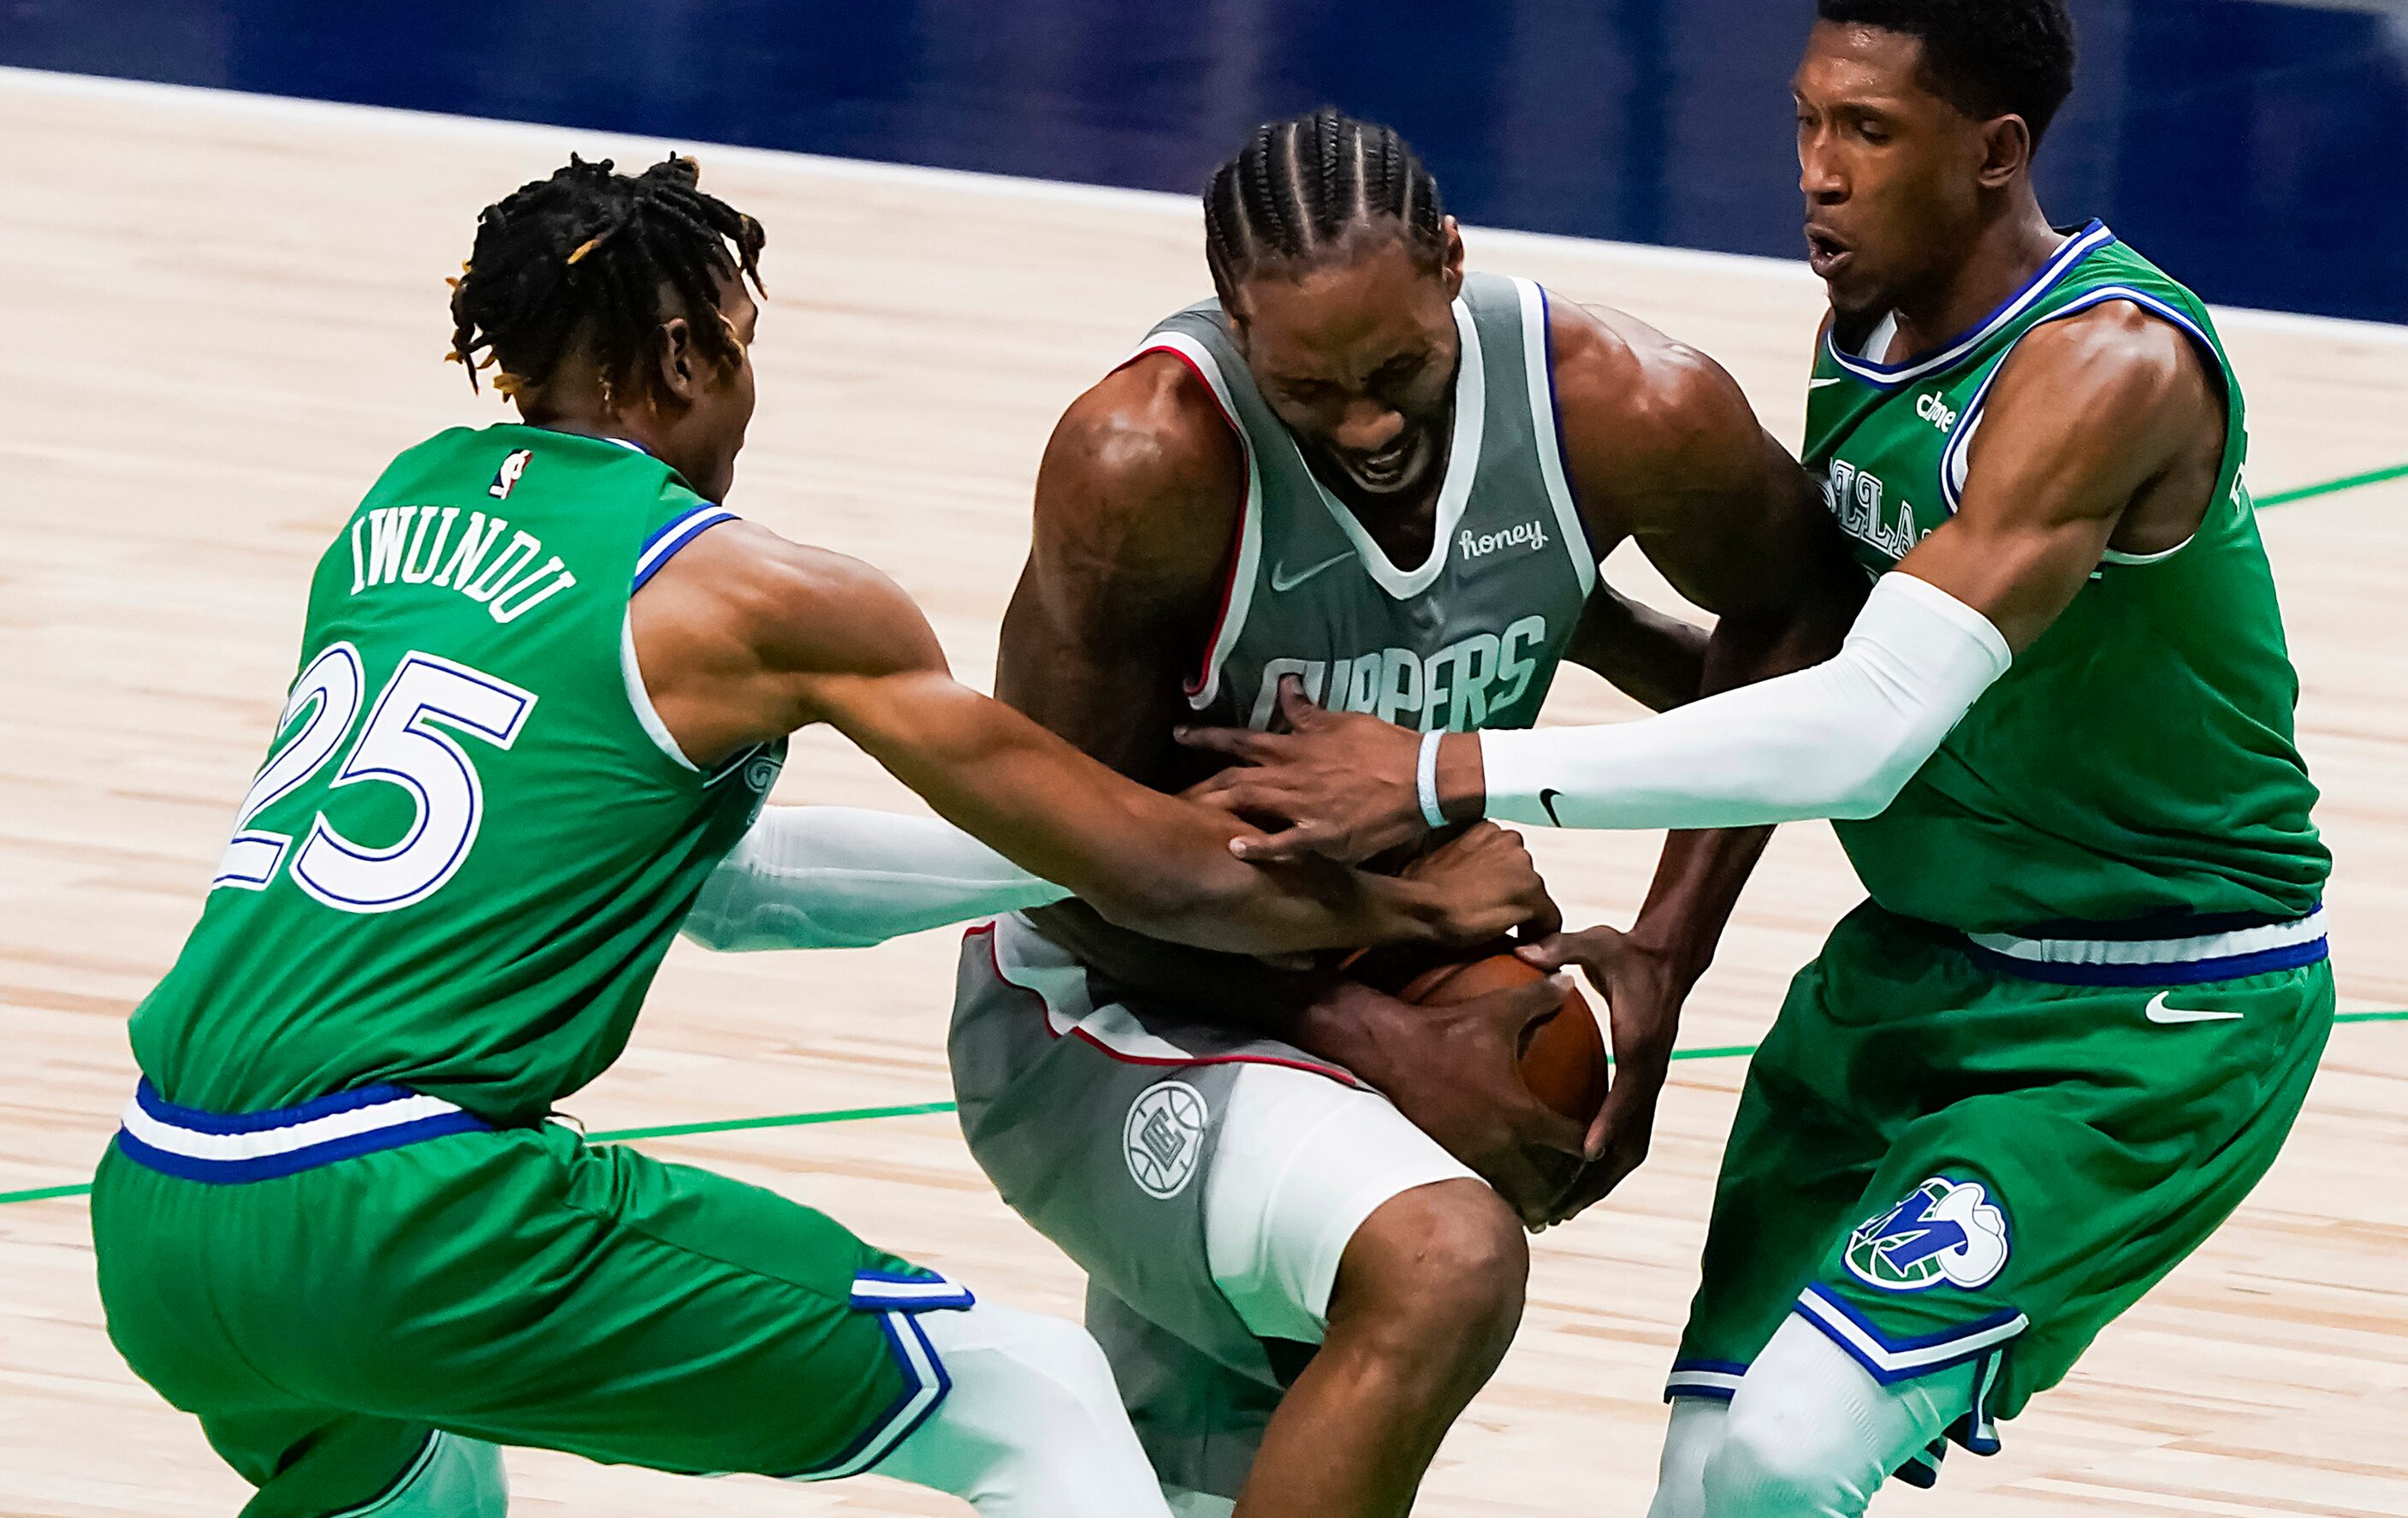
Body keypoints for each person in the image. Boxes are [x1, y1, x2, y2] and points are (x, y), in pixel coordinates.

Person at [86, 154, 1556, 1518]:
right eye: (738, 346)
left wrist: (1081, 843)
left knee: (429, 1466)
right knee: (1034, 1396)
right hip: (402, 1208)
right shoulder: (754, 597)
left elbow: (734, 894)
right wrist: (1408, 903)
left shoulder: (393, 511)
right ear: (682, 358)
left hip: (160, 1214)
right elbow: (1161, 878)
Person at [1183, 0, 2333, 1515]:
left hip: (2147, 1007)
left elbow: (1858, 731)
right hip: (1908, 969)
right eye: (1805, 121)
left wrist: (1450, 767)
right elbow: (1831, 682)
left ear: (1995, 153)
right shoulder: (1861, 338)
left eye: (1867, 133)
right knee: (1714, 1472)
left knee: (1788, 1456)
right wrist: (1578, 664)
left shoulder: (2103, 368)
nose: (1816, 173)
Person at [932, 110, 1863, 1518]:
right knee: (1439, 1263)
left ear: (1449, 264)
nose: (1364, 423)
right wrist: (1363, 1004)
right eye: (1308, 388)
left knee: (1201, 1475)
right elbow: (1064, 865)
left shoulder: (1620, 405)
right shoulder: (1145, 465)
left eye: (1397, 371)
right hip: (1106, 1001)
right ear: (1230, 318)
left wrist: (1668, 952)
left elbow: (1793, 610)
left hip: (1368, 947)